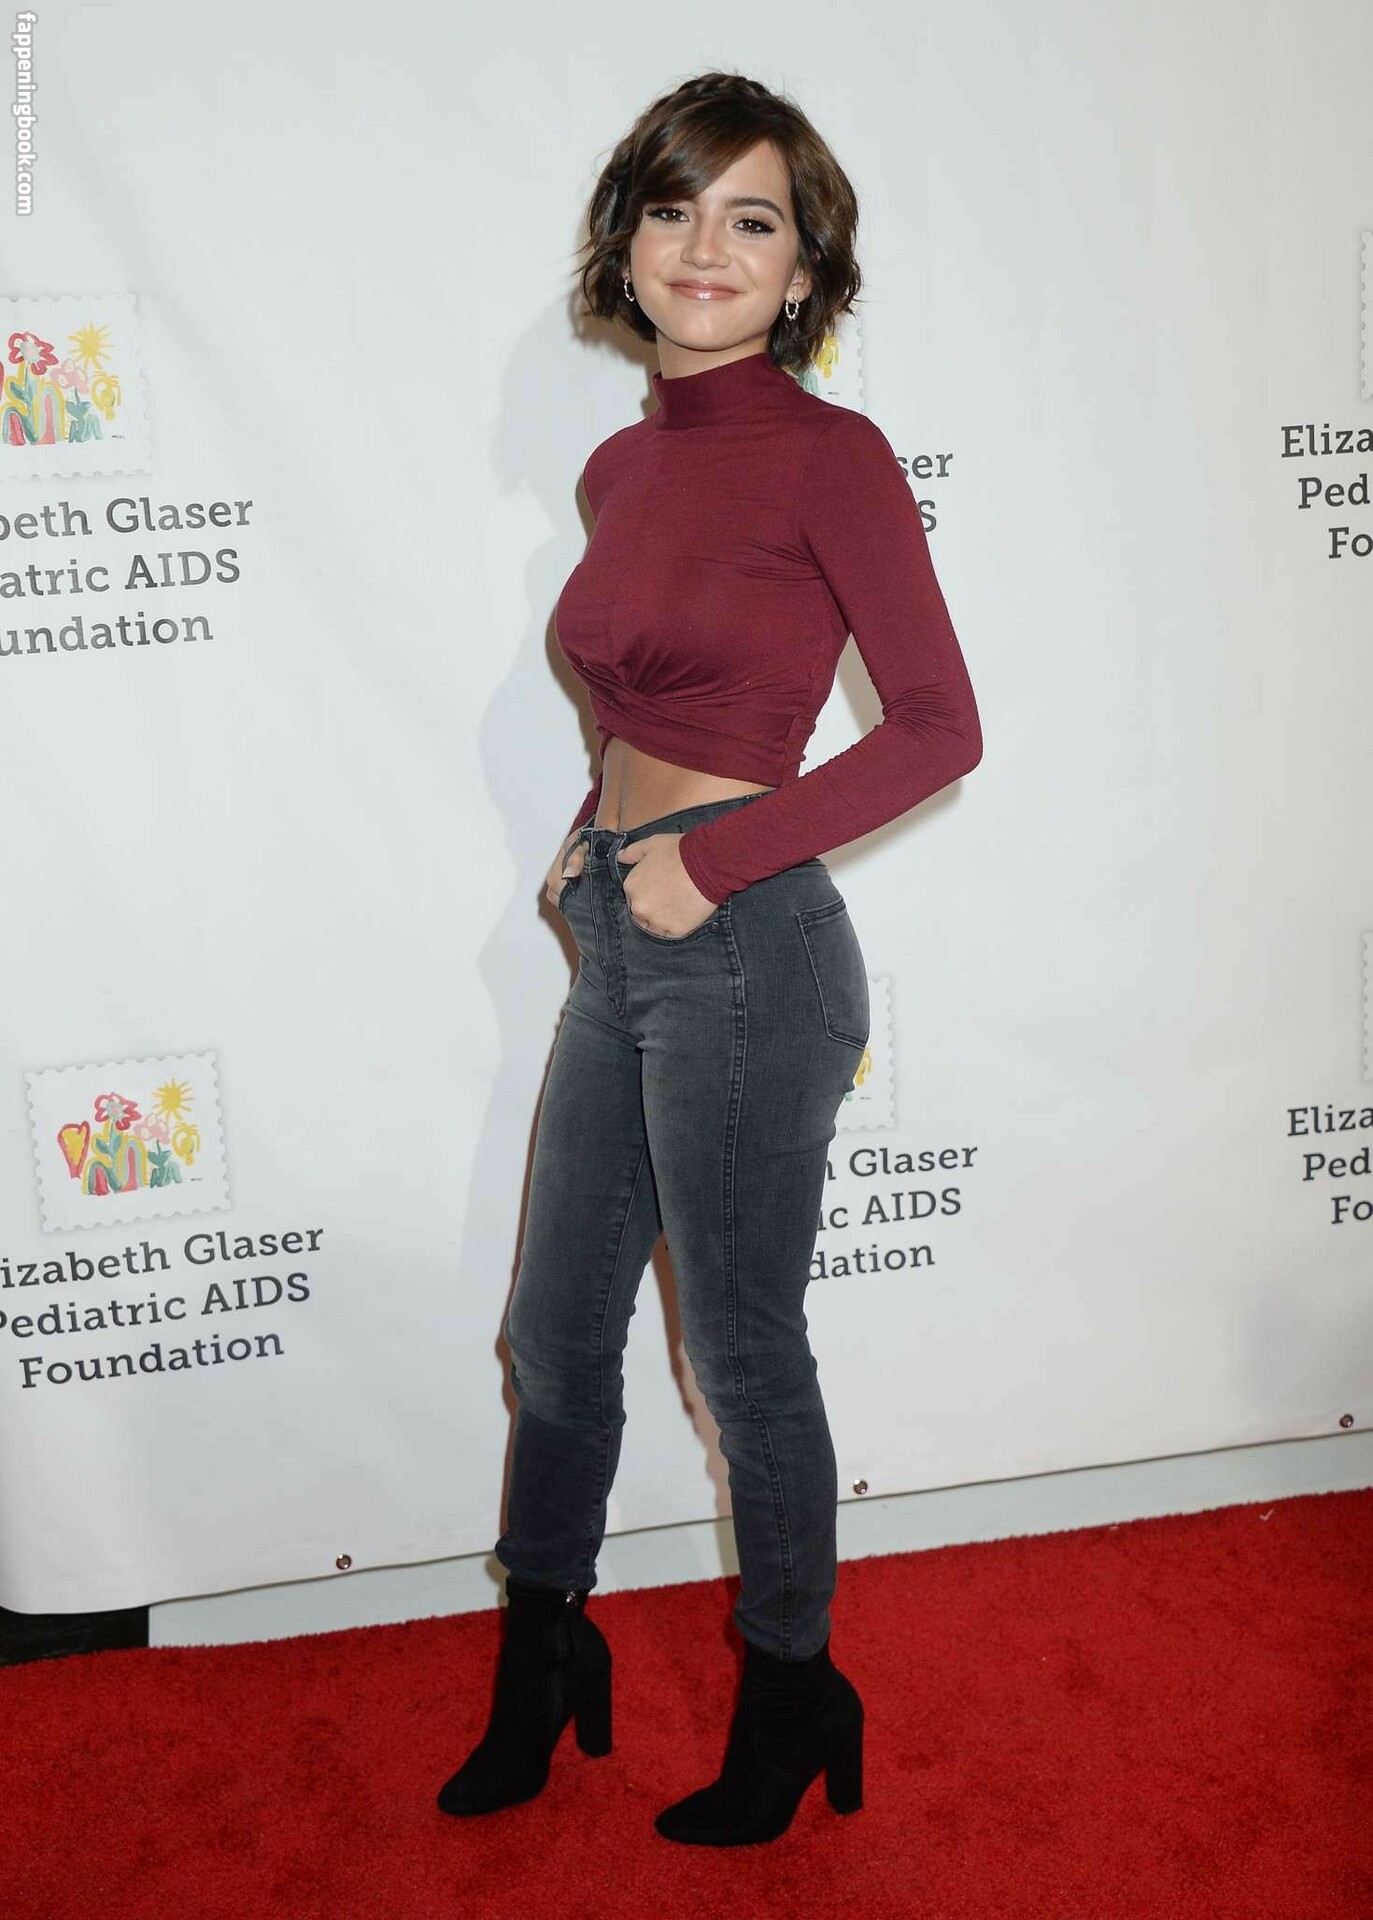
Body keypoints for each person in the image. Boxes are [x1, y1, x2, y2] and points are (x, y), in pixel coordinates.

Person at [437, 68, 982, 1847]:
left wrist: (710, 857)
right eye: (672, 208)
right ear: (626, 242)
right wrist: (590, 833)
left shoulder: (831, 456)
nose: (704, 247)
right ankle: (542, 1656)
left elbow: (937, 729)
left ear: (804, 268)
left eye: (752, 219)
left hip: (746, 947)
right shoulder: (619, 462)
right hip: (624, 923)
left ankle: (789, 1688)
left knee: (736, 1355)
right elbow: (647, 695)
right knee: (552, 1333)